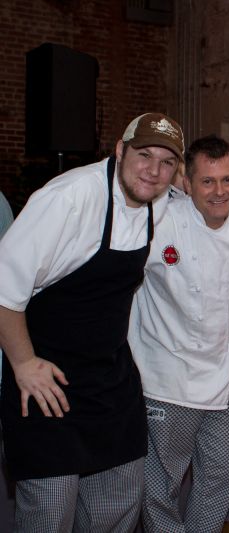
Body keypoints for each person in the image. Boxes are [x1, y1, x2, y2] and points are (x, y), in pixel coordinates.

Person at [0, 113, 184, 532]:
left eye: (167, 162)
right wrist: (25, 365)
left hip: (110, 386)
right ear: (119, 149)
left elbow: (220, 188)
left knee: (114, 513)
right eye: (143, 155)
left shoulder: (162, 203)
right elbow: (2, 287)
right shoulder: (68, 198)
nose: (153, 171)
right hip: (47, 386)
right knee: (49, 517)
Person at [129, 135, 229, 532]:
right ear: (186, 183)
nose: (219, 191)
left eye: (227, 180)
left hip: (227, 383)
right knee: (159, 489)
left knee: (218, 484)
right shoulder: (159, 222)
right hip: (168, 381)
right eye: (207, 181)